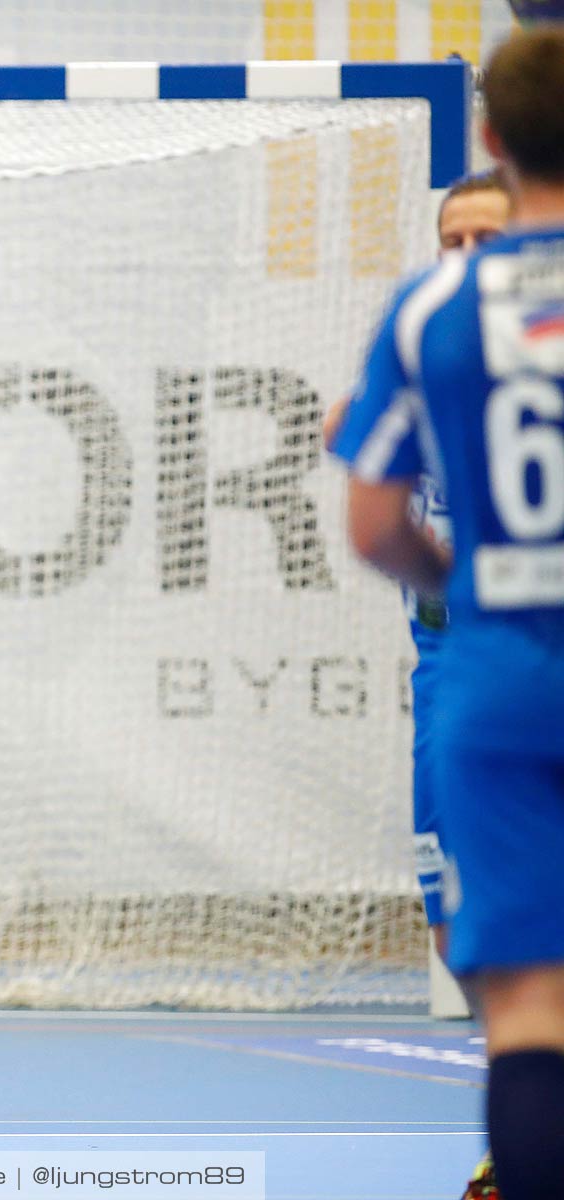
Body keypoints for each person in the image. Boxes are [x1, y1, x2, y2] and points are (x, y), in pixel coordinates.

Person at [331, 27, 564, 1199]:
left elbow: (371, 526)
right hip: (472, 673)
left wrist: (460, 584)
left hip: (499, 667)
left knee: (526, 1004)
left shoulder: (434, 316)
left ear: (487, 138)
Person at [327, 167, 512, 1200]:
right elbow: (347, 441)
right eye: (451, 239)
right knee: (457, 926)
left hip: (526, 671)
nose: (466, 257)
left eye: (486, 235)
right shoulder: (422, 351)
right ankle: (517, 1127)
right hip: (449, 679)